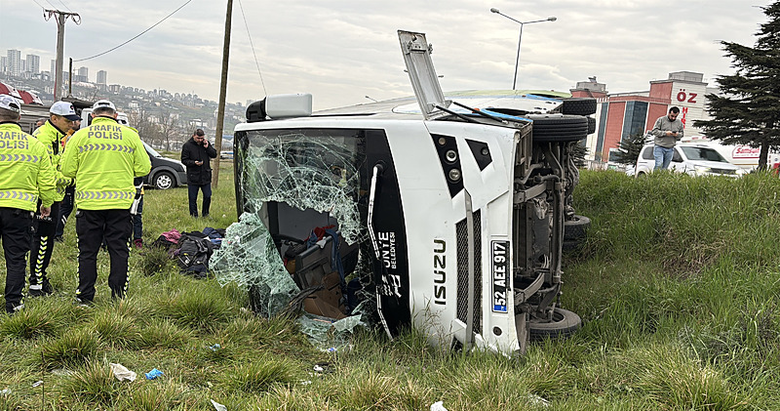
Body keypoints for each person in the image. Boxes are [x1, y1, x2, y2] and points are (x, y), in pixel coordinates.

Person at [61, 99, 151, 305]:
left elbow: (67, 170)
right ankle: (118, 296)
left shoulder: (79, 136)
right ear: (116, 116)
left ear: (93, 116)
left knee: (87, 252)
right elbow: (144, 168)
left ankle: (85, 297)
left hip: (88, 205)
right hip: (120, 205)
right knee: (119, 249)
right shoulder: (130, 136)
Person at [0, 95, 57, 314]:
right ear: (20, 117)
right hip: (19, 210)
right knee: (16, 259)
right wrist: (47, 203)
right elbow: (46, 180)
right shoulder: (34, 145)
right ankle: (14, 304)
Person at [28, 101, 80, 297]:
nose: (71, 124)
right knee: (42, 240)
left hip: (53, 195)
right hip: (44, 198)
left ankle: (39, 278)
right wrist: (70, 179)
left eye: (73, 121)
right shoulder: (44, 138)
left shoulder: (58, 137)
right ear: (54, 118)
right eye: (68, 121)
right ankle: (36, 283)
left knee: (46, 240)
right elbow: (47, 173)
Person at [54, 118, 80, 242]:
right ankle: (57, 233)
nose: (78, 123)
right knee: (65, 208)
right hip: (66, 178)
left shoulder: (69, 136)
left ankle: (57, 232)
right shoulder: (70, 138)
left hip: (65, 176)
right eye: (76, 121)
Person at [181, 128, 217, 217]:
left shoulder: (205, 144)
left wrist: (207, 147)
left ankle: (205, 214)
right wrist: (194, 163)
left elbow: (214, 155)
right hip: (193, 176)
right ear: (194, 136)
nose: (200, 140)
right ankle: (194, 215)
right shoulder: (187, 146)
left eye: (201, 138)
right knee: (193, 198)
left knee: (208, 196)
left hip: (205, 175)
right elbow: (184, 160)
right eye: (198, 138)